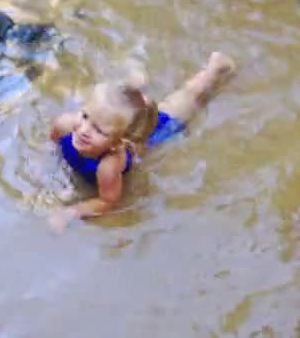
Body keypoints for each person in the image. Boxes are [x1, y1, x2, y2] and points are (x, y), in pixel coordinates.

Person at [48, 51, 236, 232]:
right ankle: (136, 84)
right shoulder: (65, 124)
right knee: (126, 107)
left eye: (98, 130)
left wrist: (70, 213)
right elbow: (51, 146)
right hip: (124, 123)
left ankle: (215, 67)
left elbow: (108, 201)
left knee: (190, 98)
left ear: (116, 143)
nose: (83, 130)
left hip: (157, 132)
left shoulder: (108, 165)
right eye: (85, 116)